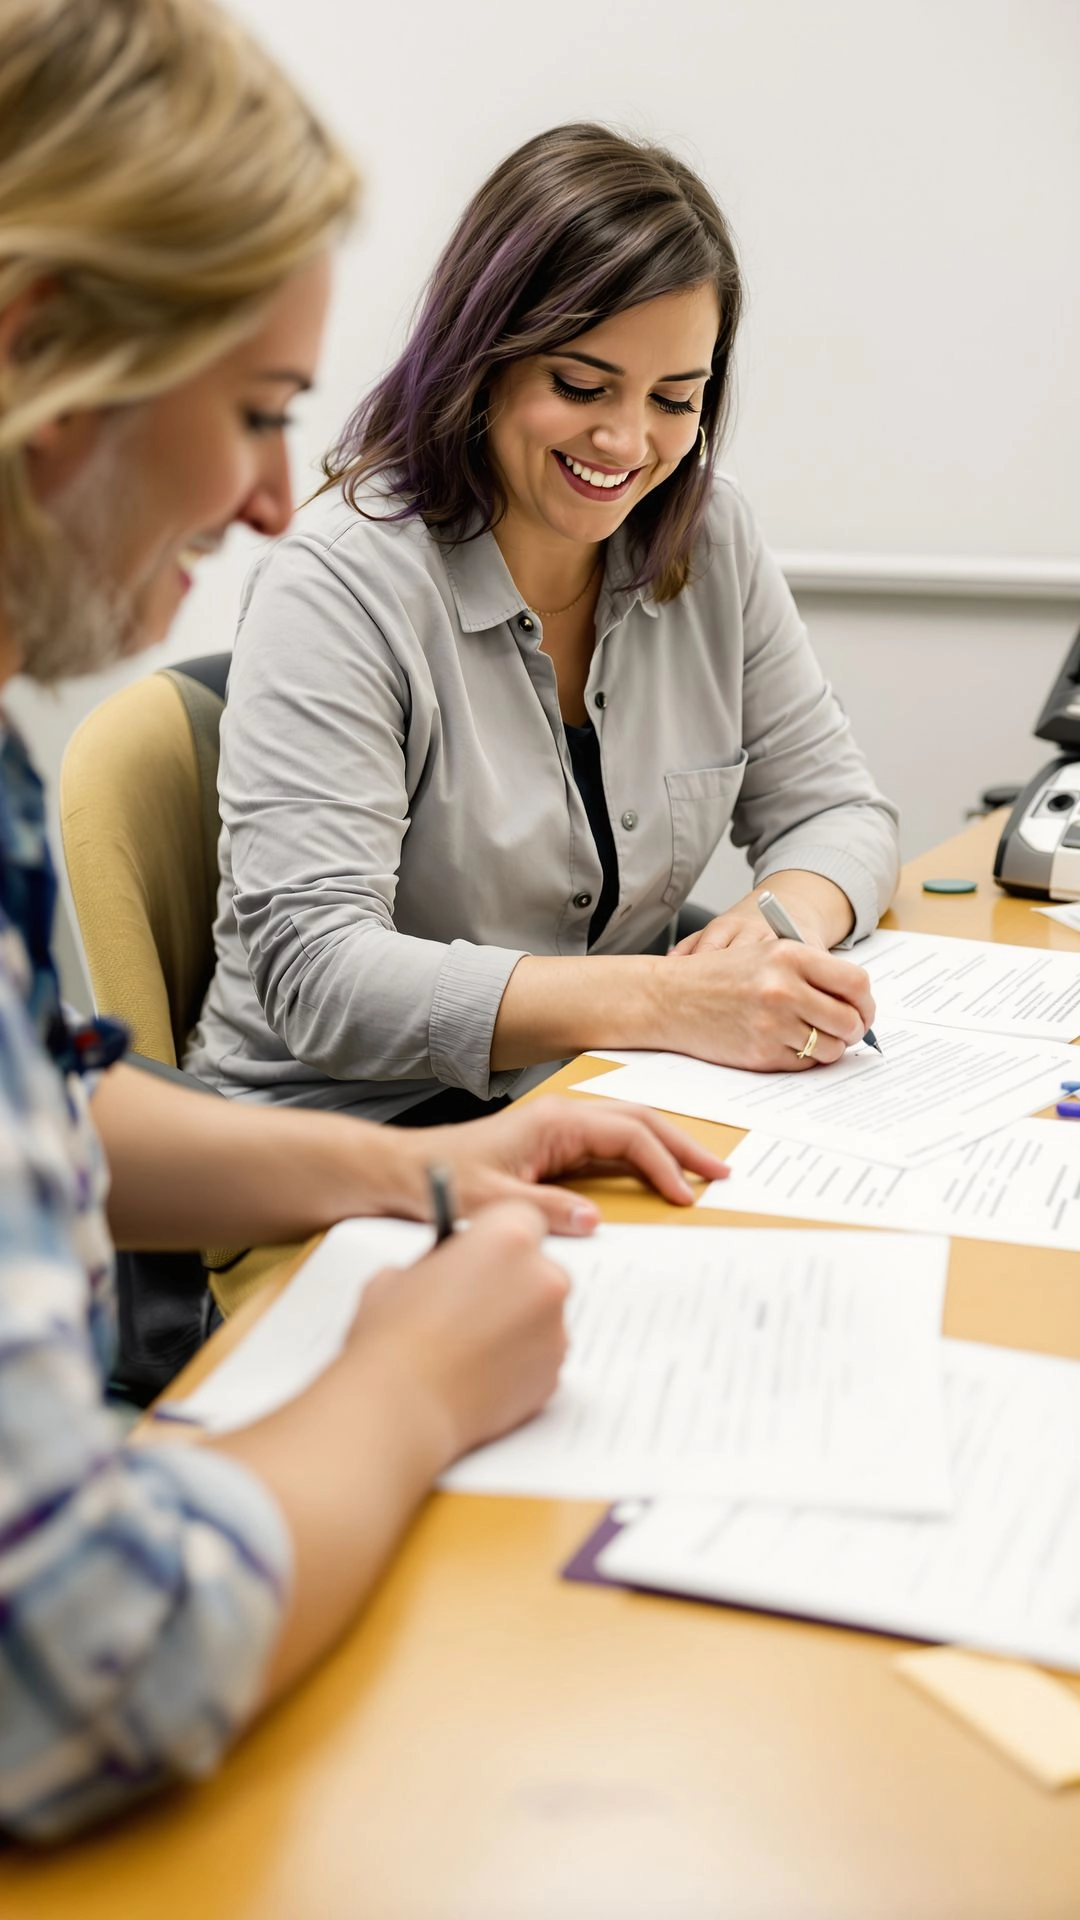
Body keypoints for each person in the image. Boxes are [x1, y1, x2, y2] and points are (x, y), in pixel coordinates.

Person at [0, 4, 726, 1842]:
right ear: (37, 359)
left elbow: (58, 1105)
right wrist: (405, 1387)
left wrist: (433, 1176)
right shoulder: (352, 578)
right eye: (252, 413)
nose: (264, 496)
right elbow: (80, 1653)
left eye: (676, 396)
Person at [186, 122, 900, 1129]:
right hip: (350, 1139)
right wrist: (666, 1004)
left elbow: (840, 811)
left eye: (675, 399)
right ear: (483, 360)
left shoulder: (711, 537)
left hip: (594, 1092)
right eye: (580, 386)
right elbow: (321, 974)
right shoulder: (338, 586)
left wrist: (767, 926)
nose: (626, 441)